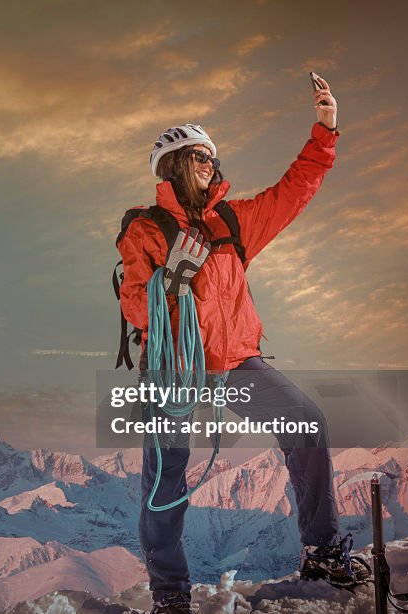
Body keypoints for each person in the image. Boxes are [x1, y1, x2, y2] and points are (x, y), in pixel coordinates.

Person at [117, 77, 370, 614]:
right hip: (173, 370)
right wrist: (172, 281)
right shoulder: (145, 229)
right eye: (199, 156)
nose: (211, 163)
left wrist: (324, 132)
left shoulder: (230, 222)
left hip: (235, 361)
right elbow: (136, 304)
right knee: (165, 479)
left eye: (212, 156)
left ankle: (323, 551)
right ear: (174, 165)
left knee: (306, 422)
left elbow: (290, 193)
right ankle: (170, 594)